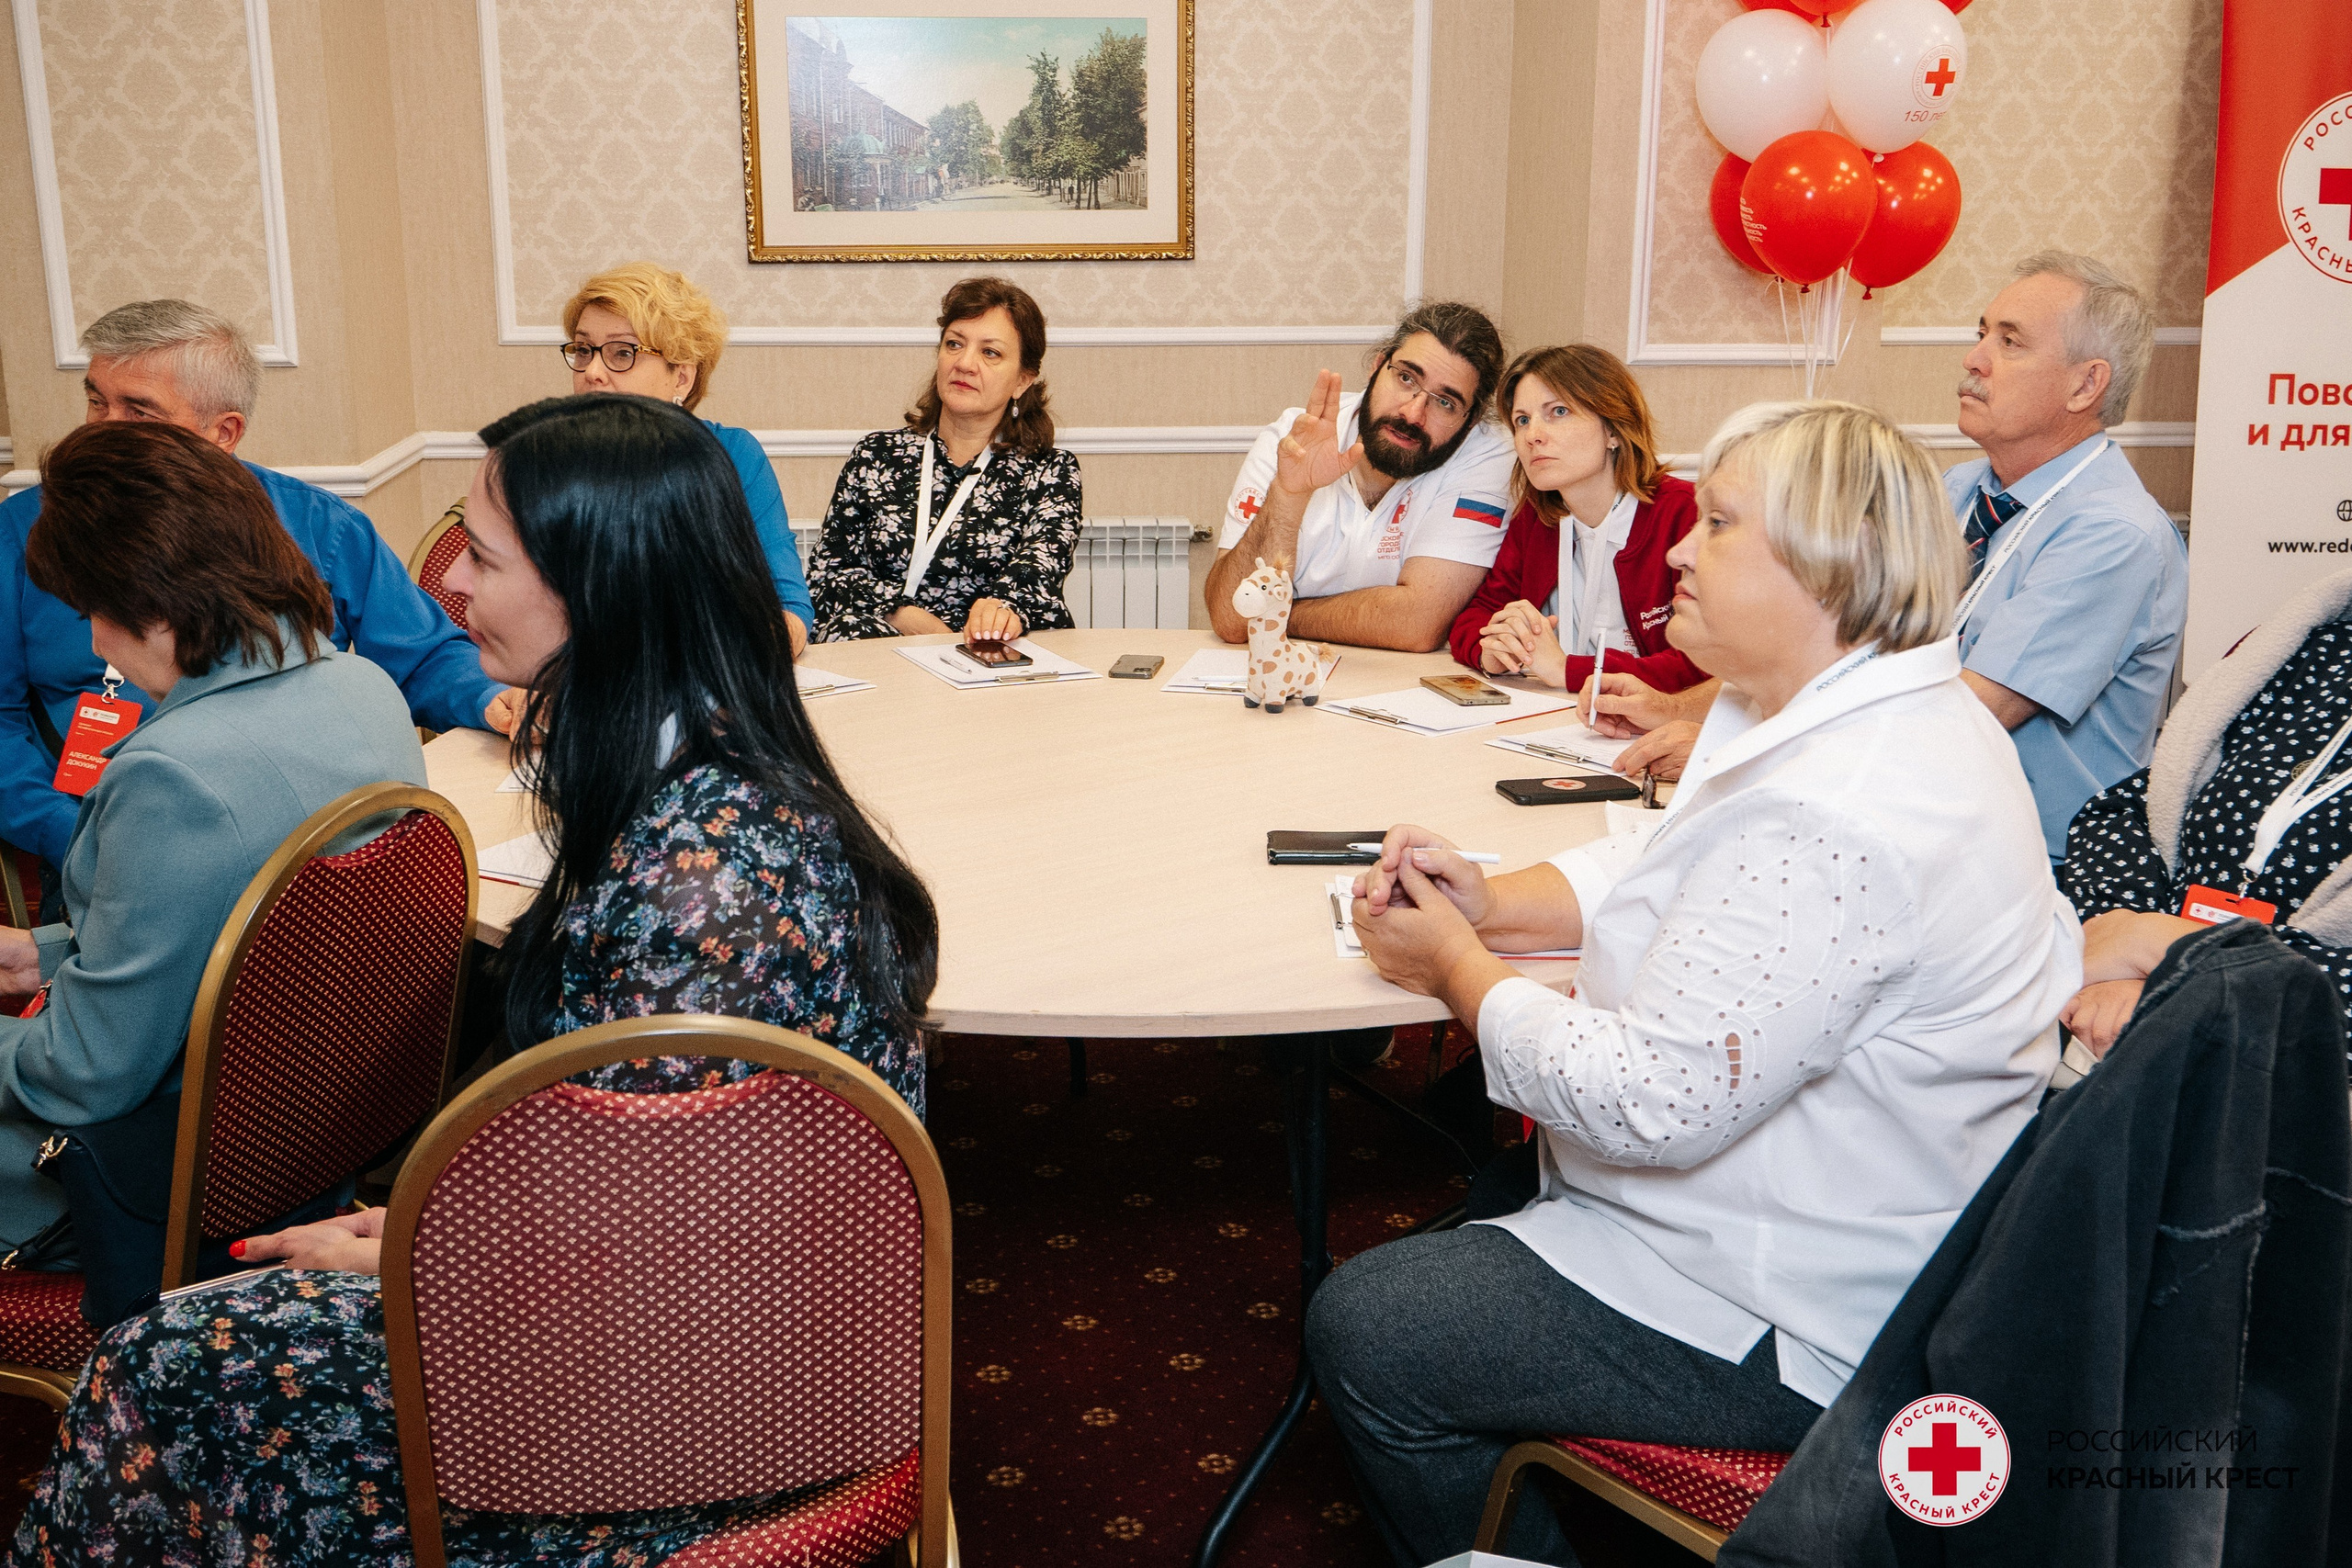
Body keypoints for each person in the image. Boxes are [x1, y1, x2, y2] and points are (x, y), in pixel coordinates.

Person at [6, 394, 940, 1564]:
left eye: (483, 559)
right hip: (729, 1346)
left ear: (594, 586)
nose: (451, 585)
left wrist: (433, 1251)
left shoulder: (700, 892)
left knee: (155, 1369)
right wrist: (440, 1221)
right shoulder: (709, 781)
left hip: (702, 1422)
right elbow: (662, 1177)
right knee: (173, 1361)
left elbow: (670, 1251)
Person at [1304, 401, 2080, 1567]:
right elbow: (1660, 864)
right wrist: (1490, 900)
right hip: (1857, 1218)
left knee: (1369, 1329)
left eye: (1716, 524)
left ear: (1832, 564)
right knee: (1481, 1197)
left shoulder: (1841, 810)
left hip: (1796, 1307)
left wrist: (1458, 969)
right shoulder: (1860, 712)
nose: (1675, 549)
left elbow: (1648, 1103)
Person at [0, 421, 426, 1251]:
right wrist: (40, 956)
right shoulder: (365, 687)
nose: (92, 640)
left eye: (91, 610)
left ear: (153, 606)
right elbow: (247, 937)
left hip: (145, 1174)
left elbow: (84, 1072)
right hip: (310, 1136)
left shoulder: (171, 773)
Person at [1589, 253, 2191, 821]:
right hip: (1881, 799)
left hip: (2028, 850)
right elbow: (1822, 650)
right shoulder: (1957, 488)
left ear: (2085, 386)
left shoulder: (2114, 535)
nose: (1974, 359)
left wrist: (1737, 748)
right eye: (1982, 334)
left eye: (2010, 342)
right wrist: (1673, 708)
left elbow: (1961, 716)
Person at [0, 299, 511, 880]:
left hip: (299, 833)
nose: (102, 430)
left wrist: (488, 698)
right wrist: (75, 838)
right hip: (108, 831)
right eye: (97, 402)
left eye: (138, 411)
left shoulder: (320, 526)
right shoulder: (23, 532)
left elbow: (422, 656)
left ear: (223, 432)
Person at [2056, 566, 2352, 1062]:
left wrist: (2165, 951)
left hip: (2296, 1075)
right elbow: (2130, 809)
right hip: (2136, 1009)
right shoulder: (2314, 648)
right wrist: (2120, 935)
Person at [1206, 302, 1514, 654]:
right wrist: (1288, 494)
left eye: (1445, 402)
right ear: (1377, 367)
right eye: (1406, 378)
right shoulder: (1294, 437)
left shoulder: (1489, 455)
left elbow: (1416, 625)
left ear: (1472, 421)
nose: (1413, 413)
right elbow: (1230, 618)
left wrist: (1274, 615)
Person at [809, 276, 1083, 644]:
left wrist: (990, 617)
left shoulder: (1050, 471)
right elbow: (827, 576)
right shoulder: (876, 455)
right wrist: (904, 615)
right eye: (954, 344)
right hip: (883, 643)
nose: (965, 363)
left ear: (1022, 380)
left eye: (990, 353)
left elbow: (1037, 575)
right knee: (848, 630)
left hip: (990, 650)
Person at [1446, 344, 1706, 694]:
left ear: (1613, 430)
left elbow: (1706, 663)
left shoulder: (1685, 513)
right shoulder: (1537, 518)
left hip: (1650, 720)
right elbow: (1478, 616)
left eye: (1558, 411)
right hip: (1554, 711)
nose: (1532, 435)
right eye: (1522, 420)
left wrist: (1566, 670)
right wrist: (1491, 651)